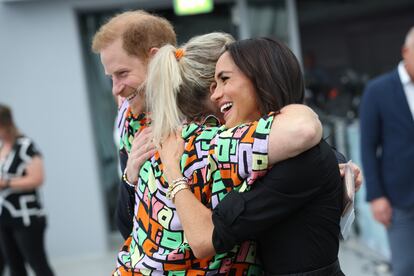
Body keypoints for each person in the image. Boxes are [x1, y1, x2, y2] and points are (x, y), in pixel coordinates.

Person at [113, 32, 324, 275]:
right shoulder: (218, 144)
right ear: (214, 89)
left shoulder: (165, 137)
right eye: (225, 78)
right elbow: (303, 129)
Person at [158, 37, 345, 275]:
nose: (216, 95)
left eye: (224, 80)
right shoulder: (257, 153)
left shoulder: (301, 159)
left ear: (261, 78)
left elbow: (205, 238)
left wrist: (172, 171)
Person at [91, 10, 176, 239]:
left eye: (122, 73)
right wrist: (130, 177)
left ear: (155, 58)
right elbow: (126, 227)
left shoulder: (207, 108)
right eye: (111, 78)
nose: (115, 89)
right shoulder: (129, 122)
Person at [359, 26, 414, 276]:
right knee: (405, 267)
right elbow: (368, 146)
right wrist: (376, 195)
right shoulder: (378, 90)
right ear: (405, 51)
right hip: (399, 197)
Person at [0, 104, 54, 276]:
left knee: (38, 265)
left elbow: (38, 178)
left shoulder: (25, 146)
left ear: (5, 124)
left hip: (26, 217)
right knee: (14, 267)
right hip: (4, 216)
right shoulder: (1, 147)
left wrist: (7, 183)